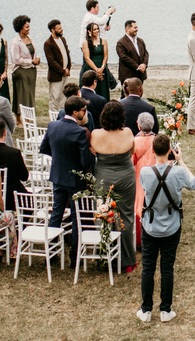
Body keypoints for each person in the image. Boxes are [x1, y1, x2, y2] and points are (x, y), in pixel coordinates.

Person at [138, 134, 195, 324]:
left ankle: (146, 310)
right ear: (170, 150)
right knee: (167, 268)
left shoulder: (145, 172)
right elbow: (193, 184)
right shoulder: (178, 172)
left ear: (153, 150)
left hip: (150, 226)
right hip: (172, 226)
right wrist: (181, 161)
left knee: (148, 268)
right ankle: (165, 309)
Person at [40, 96, 95, 262]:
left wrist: (59, 158)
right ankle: (75, 256)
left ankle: (51, 252)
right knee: (76, 217)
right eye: (83, 111)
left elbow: (44, 148)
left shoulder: (52, 125)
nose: (85, 114)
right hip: (75, 180)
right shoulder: (79, 132)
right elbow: (85, 162)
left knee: (56, 213)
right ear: (75, 112)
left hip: (57, 176)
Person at [93, 101, 138, 273]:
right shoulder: (127, 132)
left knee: (104, 215)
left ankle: (105, 257)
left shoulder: (96, 134)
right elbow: (132, 151)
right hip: (125, 176)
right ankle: (127, 260)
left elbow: (93, 151)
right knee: (125, 216)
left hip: (103, 177)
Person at [0, 118, 29, 212]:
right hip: (13, 198)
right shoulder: (14, 153)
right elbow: (24, 177)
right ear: (5, 133)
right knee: (30, 202)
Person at [132, 113, 158, 248]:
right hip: (155, 177)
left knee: (138, 207)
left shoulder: (134, 141)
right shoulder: (158, 140)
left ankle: (139, 239)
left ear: (138, 125)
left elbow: (131, 162)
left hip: (139, 177)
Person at [9, 14, 41, 118]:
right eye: (27, 27)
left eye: (29, 26)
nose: (29, 28)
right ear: (20, 28)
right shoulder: (15, 42)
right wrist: (31, 61)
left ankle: (29, 117)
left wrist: (37, 59)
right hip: (20, 71)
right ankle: (19, 118)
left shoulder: (30, 39)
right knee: (21, 95)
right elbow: (16, 60)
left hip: (31, 70)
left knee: (30, 94)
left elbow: (32, 53)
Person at [81, 20, 116, 102]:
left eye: (97, 29)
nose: (97, 31)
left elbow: (106, 56)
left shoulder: (103, 41)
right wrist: (96, 70)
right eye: (94, 29)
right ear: (89, 31)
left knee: (103, 89)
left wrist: (102, 68)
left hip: (102, 68)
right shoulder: (85, 43)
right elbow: (87, 58)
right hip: (91, 68)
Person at [44, 19, 72, 116]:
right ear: (52, 30)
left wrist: (68, 68)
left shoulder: (63, 39)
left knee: (64, 97)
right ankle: (54, 118)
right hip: (56, 75)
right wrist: (62, 71)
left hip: (65, 73)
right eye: (59, 28)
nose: (61, 29)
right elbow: (51, 62)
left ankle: (62, 116)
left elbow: (67, 54)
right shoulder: (48, 43)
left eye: (61, 27)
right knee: (55, 97)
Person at [117, 19, 150, 85]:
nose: (137, 29)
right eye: (135, 27)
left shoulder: (140, 41)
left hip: (140, 74)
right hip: (128, 75)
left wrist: (144, 64)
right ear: (127, 29)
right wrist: (137, 67)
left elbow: (146, 53)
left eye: (137, 27)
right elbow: (124, 57)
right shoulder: (121, 43)